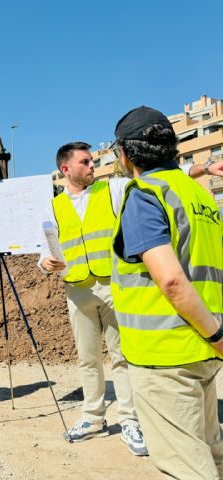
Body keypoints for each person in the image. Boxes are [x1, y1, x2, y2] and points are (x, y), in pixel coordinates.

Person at [39, 140, 223, 454]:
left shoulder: (113, 189)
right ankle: (93, 418)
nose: (92, 166)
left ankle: (129, 421)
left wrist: (204, 168)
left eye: (93, 161)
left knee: (121, 357)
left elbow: (162, 177)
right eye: (85, 162)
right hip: (77, 288)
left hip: (112, 287)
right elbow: (45, 249)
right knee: (88, 359)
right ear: (65, 168)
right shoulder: (53, 206)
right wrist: (46, 263)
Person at [111, 106, 223, 479]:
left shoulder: (145, 194)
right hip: (203, 349)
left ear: (124, 155)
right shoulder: (197, 193)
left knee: (186, 467)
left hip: (166, 355)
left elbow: (171, 280)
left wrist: (216, 334)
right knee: (210, 451)